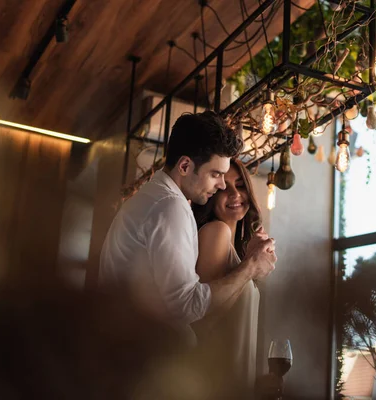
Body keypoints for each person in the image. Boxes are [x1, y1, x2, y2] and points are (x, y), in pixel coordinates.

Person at [98, 111, 277, 347]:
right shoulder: (169, 207)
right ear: (184, 165)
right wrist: (251, 266)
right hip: (141, 359)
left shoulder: (156, 199)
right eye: (216, 174)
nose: (222, 185)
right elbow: (187, 306)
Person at [191, 159, 265, 398]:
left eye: (241, 186)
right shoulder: (216, 232)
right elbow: (203, 316)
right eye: (224, 187)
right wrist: (251, 266)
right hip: (213, 381)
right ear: (212, 194)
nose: (235, 194)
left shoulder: (233, 246)